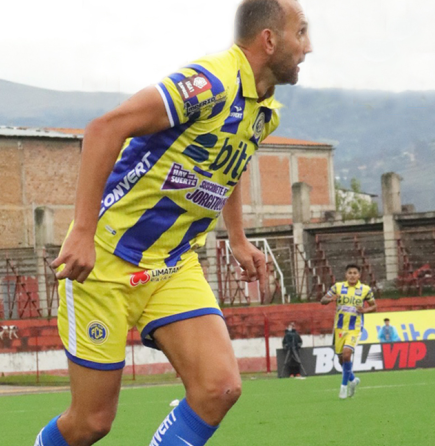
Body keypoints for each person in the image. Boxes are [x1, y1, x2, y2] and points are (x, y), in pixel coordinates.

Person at [33, 1, 312, 445]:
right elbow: (104, 129)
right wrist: (83, 231)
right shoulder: (210, 83)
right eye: (301, 33)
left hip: (172, 265)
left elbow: (230, 165)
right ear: (269, 40)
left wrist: (238, 238)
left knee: (219, 388)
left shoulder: (264, 112)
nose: (308, 47)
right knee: (91, 423)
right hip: (105, 258)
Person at [320, 264, 377, 399]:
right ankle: (352, 380)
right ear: (346, 275)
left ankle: (343, 388)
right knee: (341, 360)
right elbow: (322, 300)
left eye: (355, 273)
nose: (352, 275)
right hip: (339, 328)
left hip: (354, 328)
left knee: (347, 355)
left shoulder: (365, 289)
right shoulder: (338, 287)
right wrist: (330, 299)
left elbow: (374, 306)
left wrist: (364, 310)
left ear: (359, 275)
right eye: (350, 273)